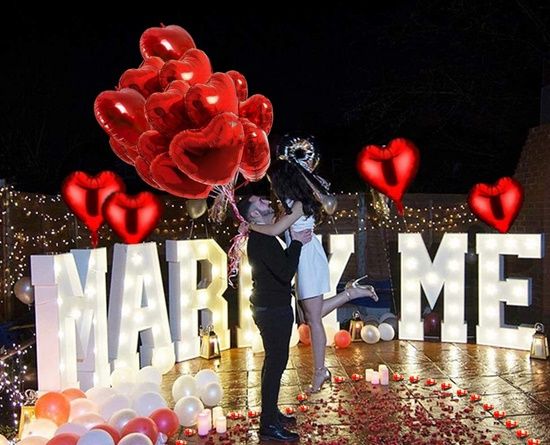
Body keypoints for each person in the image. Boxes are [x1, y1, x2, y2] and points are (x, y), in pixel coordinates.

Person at [244, 159, 378, 394]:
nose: (270, 187)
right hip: (301, 258)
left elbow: (274, 230)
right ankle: (351, 293)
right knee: (310, 315)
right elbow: (272, 226)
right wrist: (250, 225)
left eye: (272, 181)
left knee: (313, 319)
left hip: (308, 258)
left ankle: (320, 372)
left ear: (281, 181)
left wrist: (248, 227)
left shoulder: (298, 204)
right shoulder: (288, 204)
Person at [237, 194, 308, 442]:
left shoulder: (264, 235)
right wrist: (297, 243)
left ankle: (271, 413)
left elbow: (278, 267)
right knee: (276, 365)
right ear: (254, 215)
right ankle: (268, 424)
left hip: (270, 307)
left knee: (273, 364)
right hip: (272, 310)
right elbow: (285, 272)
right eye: (259, 201)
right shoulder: (262, 240)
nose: (266, 201)